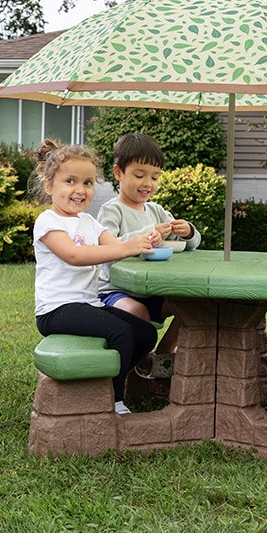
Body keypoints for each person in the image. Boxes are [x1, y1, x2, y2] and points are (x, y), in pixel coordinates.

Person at [32, 139, 158, 415]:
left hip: (89, 304)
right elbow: (74, 255)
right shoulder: (48, 221)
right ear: (49, 186)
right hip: (56, 309)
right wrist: (125, 247)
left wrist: (147, 239)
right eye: (70, 181)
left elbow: (116, 245)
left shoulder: (90, 222)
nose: (80, 190)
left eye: (88, 183)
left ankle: (107, 378)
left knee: (146, 333)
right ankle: (112, 400)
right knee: (121, 332)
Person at [97, 133, 201, 378]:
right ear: (118, 172)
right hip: (116, 292)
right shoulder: (112, 210)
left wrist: (187, 232)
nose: (148, 183)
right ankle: (140, 360)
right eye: (139, 175)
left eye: (154, 177)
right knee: (138, 313)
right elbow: (107, 248)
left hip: (154, 290)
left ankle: (163, 353)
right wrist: (148, 233)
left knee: (193, 306)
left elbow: (190, 244)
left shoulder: (156, 210)